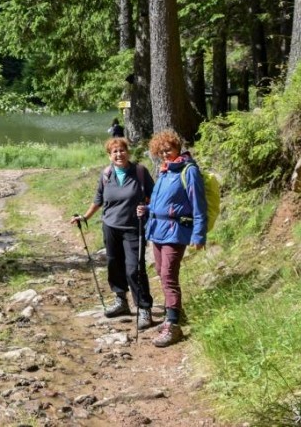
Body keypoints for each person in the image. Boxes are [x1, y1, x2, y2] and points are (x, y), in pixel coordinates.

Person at [72, 137, 155, 329]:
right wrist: (85, 217)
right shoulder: (106, 174)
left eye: (122, 150)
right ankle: (121, 301)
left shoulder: (140, 172)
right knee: (113, 265)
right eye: (114, 152)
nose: (119, 154)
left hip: (134, 228)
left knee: (135, 268)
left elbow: (154, 197)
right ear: (109, 155)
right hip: (110, 227)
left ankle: (144, 308)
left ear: (128, 152)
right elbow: (99, 200)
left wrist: (148, 208)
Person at [137, 129, 207, 348]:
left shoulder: (189, 171)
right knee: (160, 272)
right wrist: (146, 208)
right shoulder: (165, 171)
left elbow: (199, 205)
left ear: (178, 147)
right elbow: (162, 202)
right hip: (157, 229)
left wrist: (199, 234)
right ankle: (173, 314)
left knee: (168, 275)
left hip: (176, 231)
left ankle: (174, 326)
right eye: (161, 151)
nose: (166, 154)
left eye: (169, 149)